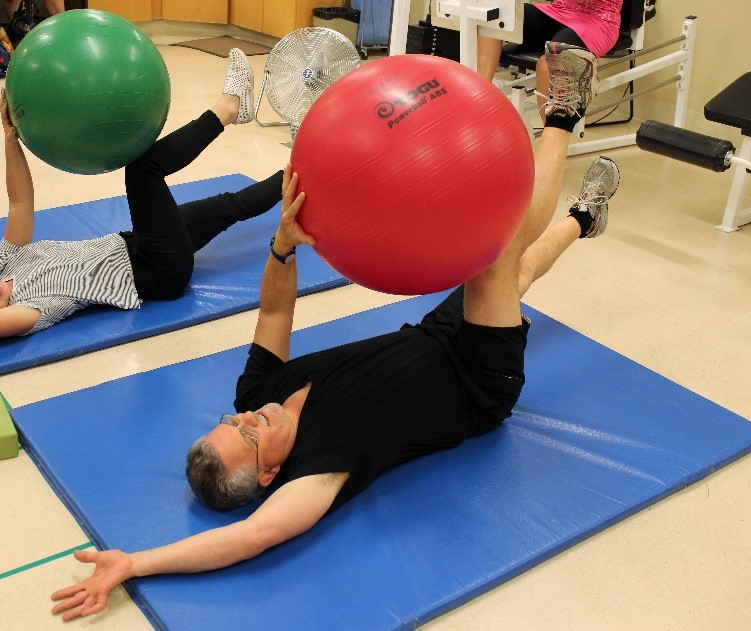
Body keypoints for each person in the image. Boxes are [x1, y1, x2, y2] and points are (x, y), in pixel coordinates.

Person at [49, 44, 620, 620]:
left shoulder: (256, 396)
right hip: (479, 384)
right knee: (497, 252)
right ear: (270, 473)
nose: (247, 418)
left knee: (512, 273)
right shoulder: (316, 471)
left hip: (429, 337)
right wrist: (136, 563)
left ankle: (582, 219)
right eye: (248, 438)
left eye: (231, 423)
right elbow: (251, 538)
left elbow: (274, 315)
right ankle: (563, 117)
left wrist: (282, 246)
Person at [0, 50, 277, 387]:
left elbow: (20, 203)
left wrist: (9, 138)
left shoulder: (7, 264)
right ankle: (229, 108)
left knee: (226, 206)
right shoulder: (28, 312)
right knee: (142, 170)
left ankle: (306, 176)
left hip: (134, 242)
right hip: (156, 271)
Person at [476, 0, 623, 120]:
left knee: (548, 66)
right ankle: (479, 101)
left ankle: (550, 145)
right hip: (558, 11)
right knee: (495, 16)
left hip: (598, 20)